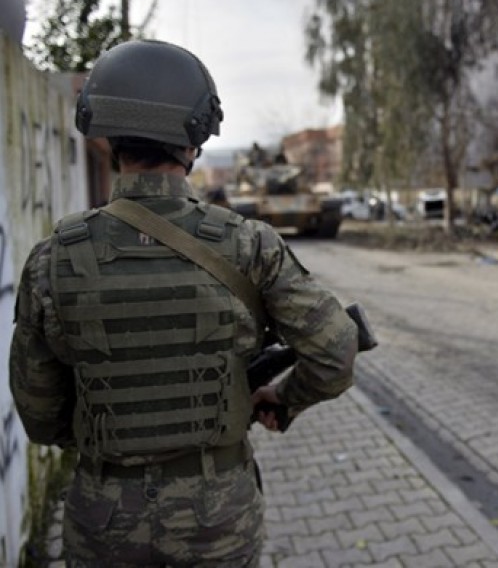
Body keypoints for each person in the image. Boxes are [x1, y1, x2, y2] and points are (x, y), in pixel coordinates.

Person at [9, 39, 358, 567]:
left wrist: (106, 440)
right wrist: (281, 402)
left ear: (105, 134)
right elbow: (335, 354)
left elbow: (39, 415)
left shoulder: (52, 259)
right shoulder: (248, 244)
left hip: (103, 520)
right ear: (193, 141)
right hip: (217, 517)